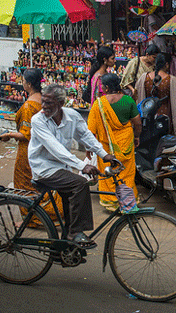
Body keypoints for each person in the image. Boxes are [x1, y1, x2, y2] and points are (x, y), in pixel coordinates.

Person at [28, 84, 118, 248]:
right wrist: (81, 166)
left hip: (62, 167)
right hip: (44, 168)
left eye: (49, 103)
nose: (44, 107)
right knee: (80, 183)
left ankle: (64, 246)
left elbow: (86, 136)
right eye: (43, 102)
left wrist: (104, 154)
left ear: (61, 104)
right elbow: (55, 148)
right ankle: (75, 232)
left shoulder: (72, 116)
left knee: (72, 198)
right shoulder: (38, 120)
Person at [0, 69, 62, 224]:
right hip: (46, 147)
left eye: (23, 81)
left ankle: (32, 218)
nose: (23, 83)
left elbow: (26, 134)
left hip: (29, 150)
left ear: (28, 84)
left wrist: (10, 135)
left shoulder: (29, 106)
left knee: (26, 185)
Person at [87, 74, 142, 211]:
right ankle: (128, 200)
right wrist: (137, 137)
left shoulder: (98, 104)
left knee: (109, 171)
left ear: (106, 87)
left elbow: (90, 129)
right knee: (127, 172)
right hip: (126, 141)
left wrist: (89, 148)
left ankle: (111, 201)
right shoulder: (128, 101)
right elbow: (138, 123)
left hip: (106, 146)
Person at [135, 53, 176, 136]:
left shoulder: (144, 78)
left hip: (148, 116)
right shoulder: (172, 80)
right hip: (166, 117)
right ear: (167, 65)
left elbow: (136, 96)